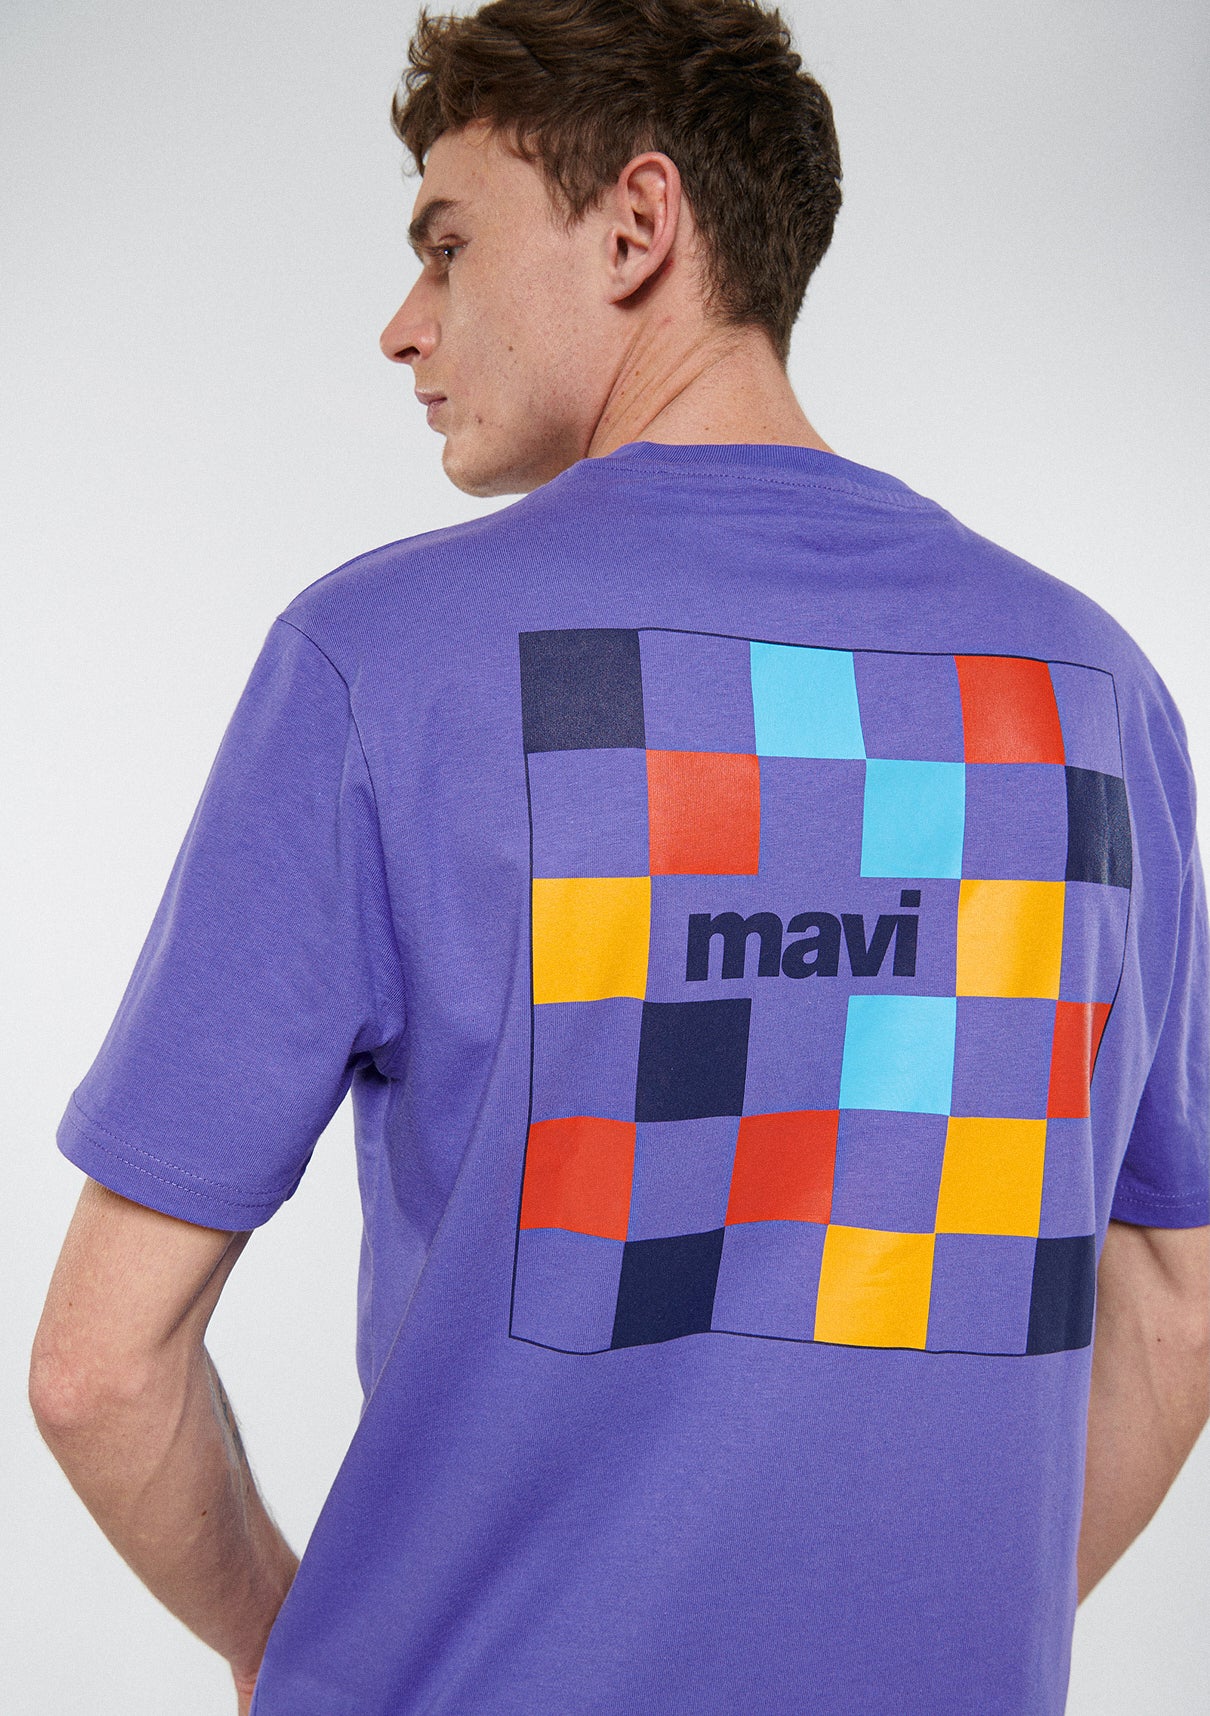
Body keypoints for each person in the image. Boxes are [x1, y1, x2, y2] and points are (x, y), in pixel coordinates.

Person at [28, 1, 1209, 1711]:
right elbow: (1172, 1312)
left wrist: (295, 1656)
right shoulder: (1094, 697)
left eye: (446, 245)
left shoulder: (386, 666)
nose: (402, 323)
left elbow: (97, 1370)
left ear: (639, 224)